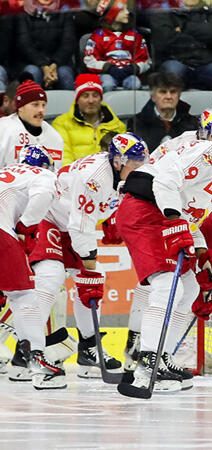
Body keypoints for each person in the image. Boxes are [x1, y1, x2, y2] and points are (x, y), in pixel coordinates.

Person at [115, 114, 212, 394]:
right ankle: (146, 360)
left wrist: (202, 250)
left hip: (152, 211)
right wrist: (172, 220)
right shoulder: (211, 153)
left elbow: (187, 212)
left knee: (190, 286)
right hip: (145, 212)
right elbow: (165, 183)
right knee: (166, 283)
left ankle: (162, 358)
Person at [17, 134, 151, 383]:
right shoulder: (94, 177)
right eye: (134, 162)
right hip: (51, 217)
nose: (139, 167)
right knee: (52, 278)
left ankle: (89, 351)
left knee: (89, 286)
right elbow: (80, 226)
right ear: (118, 161)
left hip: (75, 223)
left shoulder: (122, 173)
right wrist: (89, 269)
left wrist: (113, 218)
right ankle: (28, 352)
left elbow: (106, 206)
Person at [0, 145, 60, 389]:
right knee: (23, 296)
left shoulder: (6, 172)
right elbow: (43, 195)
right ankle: (36, 359)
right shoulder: (42, 174)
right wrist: (26, 226)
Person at [150, 0, 212, 90]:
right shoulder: (162, 11)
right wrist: (203, 35)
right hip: (176, 61)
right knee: (173, 72)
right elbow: (164, 42)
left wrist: (184, 28)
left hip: (207, 63)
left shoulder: (209, 12)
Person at [52, 74, 127, 165]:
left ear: (100, 98)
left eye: (95, 95)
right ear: (77, 100)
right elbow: (64, 160)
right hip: (75, 176)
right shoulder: (61, 124)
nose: (91, 101)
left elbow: (124, 160)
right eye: (85, 96)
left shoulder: (117, 125)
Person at [83, 0, 152, 91]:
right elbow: (89, 60)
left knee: (134, 84)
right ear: (111, 14)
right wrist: (107, 68)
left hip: (129, 75)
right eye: (122, 10)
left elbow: (146, 60)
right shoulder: (98, 36)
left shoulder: (135, 35)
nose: (127, 12)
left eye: (127, 9)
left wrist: (134, 68)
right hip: (106, 75)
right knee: (108, 84)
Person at [0, 80, 64, 169]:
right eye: (35, 105)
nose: (41, 110)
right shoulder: (3, 129)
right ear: (20, 107)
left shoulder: (55, 137)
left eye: (43, 105)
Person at [14, 0, 76, 89]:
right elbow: (25, 45)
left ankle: (72, 103)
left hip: (61, 62)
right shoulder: (22, 13)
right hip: (31, 62)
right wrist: (44, 66)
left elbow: (68, 42)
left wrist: (54, 64)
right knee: (32, 72)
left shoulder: (65, 11)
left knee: (65, 74)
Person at [127, 72, 197, 150]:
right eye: (163, 92)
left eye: (173, 92)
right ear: (153, 96)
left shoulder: (192, 123)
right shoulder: (137, 123)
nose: (168, 96)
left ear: (179, 96)